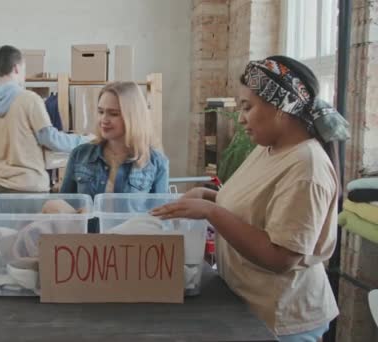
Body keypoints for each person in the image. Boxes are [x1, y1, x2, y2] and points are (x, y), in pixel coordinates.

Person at [151, 56, 350, 340]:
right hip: (247, 306)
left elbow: (281, 257)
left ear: (281, 107)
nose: (241, 117)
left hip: (282, 319)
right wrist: (208, 196)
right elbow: (253, 207)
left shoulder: (306, 166)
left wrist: (210, 211)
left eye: (248, 107)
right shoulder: (268, 149)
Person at [0, 45, 90, 194]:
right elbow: (52, 140)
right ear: (17, 68)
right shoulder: (29, 99)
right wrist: (86, 140)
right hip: (32, 189)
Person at [60, 81, 169, 197]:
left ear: (133, 117)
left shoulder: (157, 163)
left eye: (113, 114)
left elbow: (159, 212)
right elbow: (64, 203)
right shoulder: (79, 155)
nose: (104, 119)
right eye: (101, 111)